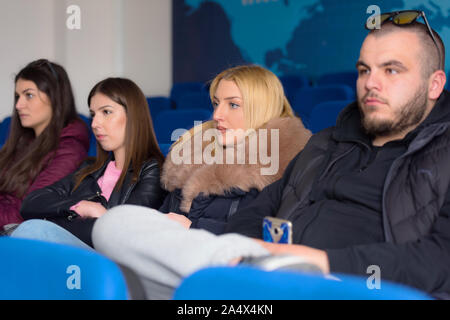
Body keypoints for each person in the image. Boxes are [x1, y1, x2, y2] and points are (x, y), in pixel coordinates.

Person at [93, 12, 449, 299]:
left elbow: (439, 258)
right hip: (263, 273)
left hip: (351, 285)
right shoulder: (327, 143)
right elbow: (260, 208)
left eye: (391, 69)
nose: (372, 82)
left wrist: (321, 262)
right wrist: (248, 250)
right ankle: (236, 281)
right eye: (364, 70)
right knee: (117, 223)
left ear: (435, 84)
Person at [11, 77, 166, 248]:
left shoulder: (153, 169)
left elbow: (123, 231)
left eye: (106, 112)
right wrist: (81, 207)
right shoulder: (90, 168)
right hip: (70, 252)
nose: (95, 123)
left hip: (106, 259)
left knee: (32, 231)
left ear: (133, 116)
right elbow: (32, 202)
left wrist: (59, 219)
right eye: (93, 115)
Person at [159, 65, 311, 234]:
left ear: (262, 109)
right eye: (216, 103)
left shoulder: (288, 169)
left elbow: (275, 237)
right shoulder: (189, 159)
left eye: (233, 105)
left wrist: (193, 228)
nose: (217, 115)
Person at [0, 59, 89, 231]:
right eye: (17, 96)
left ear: (55, 97)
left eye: (29, 95)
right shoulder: (22, 140)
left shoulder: (70, 149)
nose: (18, 105)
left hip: (17, 233)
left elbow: (29, 210)